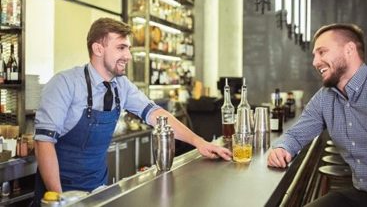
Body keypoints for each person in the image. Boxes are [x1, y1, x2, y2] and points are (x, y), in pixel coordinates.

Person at [32, 17, 232, 205]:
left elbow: (156, 115)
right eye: (121, 48)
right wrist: (59, 200)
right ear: (98, 49)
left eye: (128, 48)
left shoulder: (121, 85)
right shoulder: (65, 84)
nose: (128, 55)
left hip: (98, 190)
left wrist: (199, 142)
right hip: (60, 191)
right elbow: (44, 142)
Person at [267, 23, 367, 207]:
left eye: (322, 52)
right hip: (363, 194)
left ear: (349, 50)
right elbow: (296, 134)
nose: (315, 62)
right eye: (315, 55)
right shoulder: (324, 98)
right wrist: (282, 148)